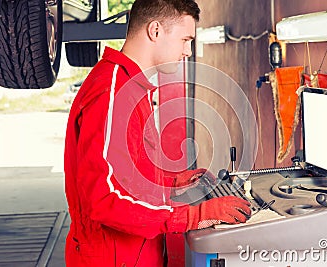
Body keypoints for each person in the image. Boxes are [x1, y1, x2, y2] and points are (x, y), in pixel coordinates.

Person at [64, 0, 251, 266]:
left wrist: (171, 181)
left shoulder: (130, 87)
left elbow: (127, 172)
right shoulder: (113, 93)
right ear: (155, 31)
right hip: (113, 258)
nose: (187, 51)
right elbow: (103, 199)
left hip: (135, 253)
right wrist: (192, 216)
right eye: (185, 39)